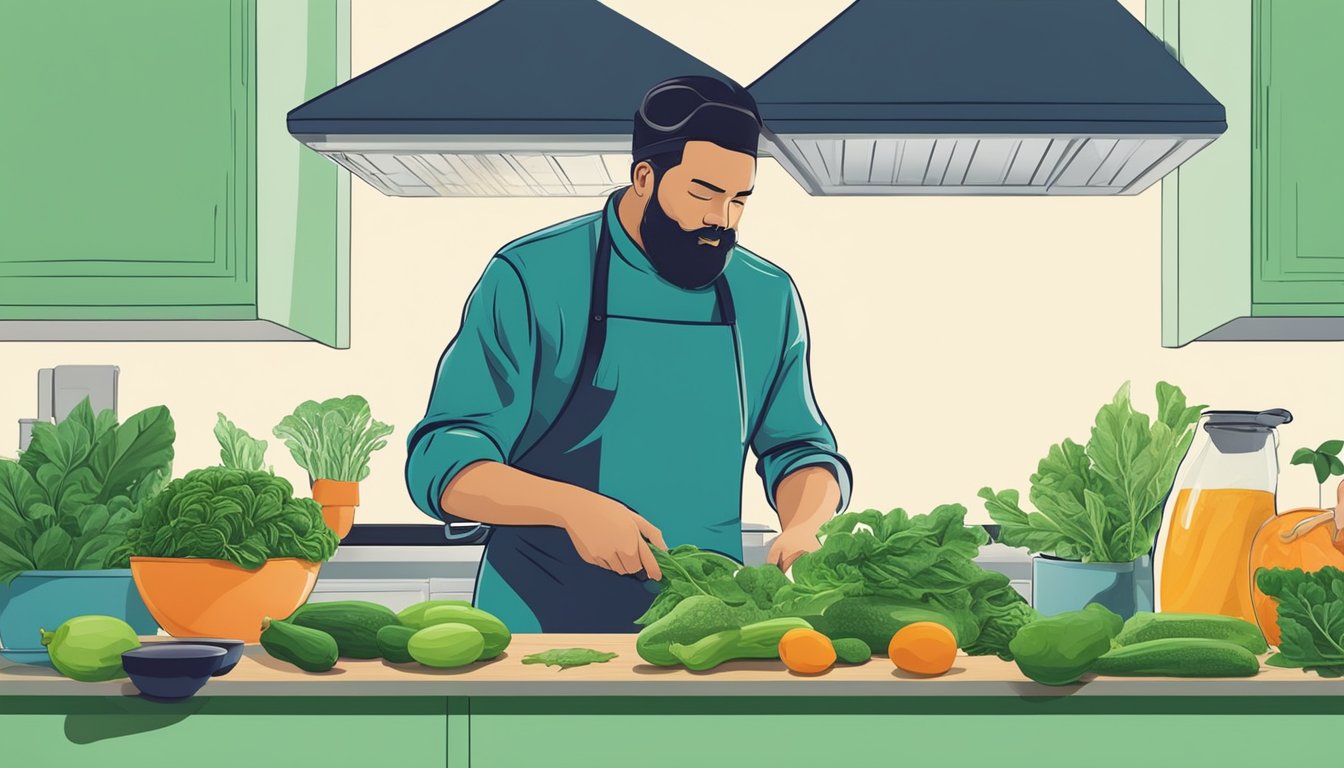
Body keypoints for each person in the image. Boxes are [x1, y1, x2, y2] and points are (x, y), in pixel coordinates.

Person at [405, 75, 851, 633]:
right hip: (536, 630)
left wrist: (804, 524)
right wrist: (572, 508)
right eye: (703, 192)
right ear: (645, 177)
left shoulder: (766, 295)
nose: (724, 218)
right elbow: (443, 465)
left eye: (740, 199)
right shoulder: (534, 275)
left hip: (704, 624)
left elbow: (801, 449)